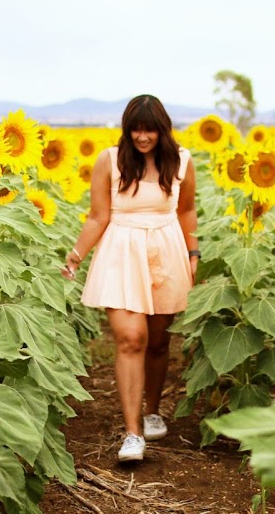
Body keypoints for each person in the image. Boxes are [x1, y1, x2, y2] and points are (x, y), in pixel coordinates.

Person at [62, 94, 199, 463]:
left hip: (166, 251)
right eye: (136, 129)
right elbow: (97, 216)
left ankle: (152, 410)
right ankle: (132, 433)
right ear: (127, 129)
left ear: (161, 130)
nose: (142, 136)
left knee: (157, 341)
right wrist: (76, 257)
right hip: (121, 251)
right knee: (130, 338)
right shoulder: (110, 160)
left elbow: (186, 211)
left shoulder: (182, 161)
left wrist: (193, 253)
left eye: (149, 129)